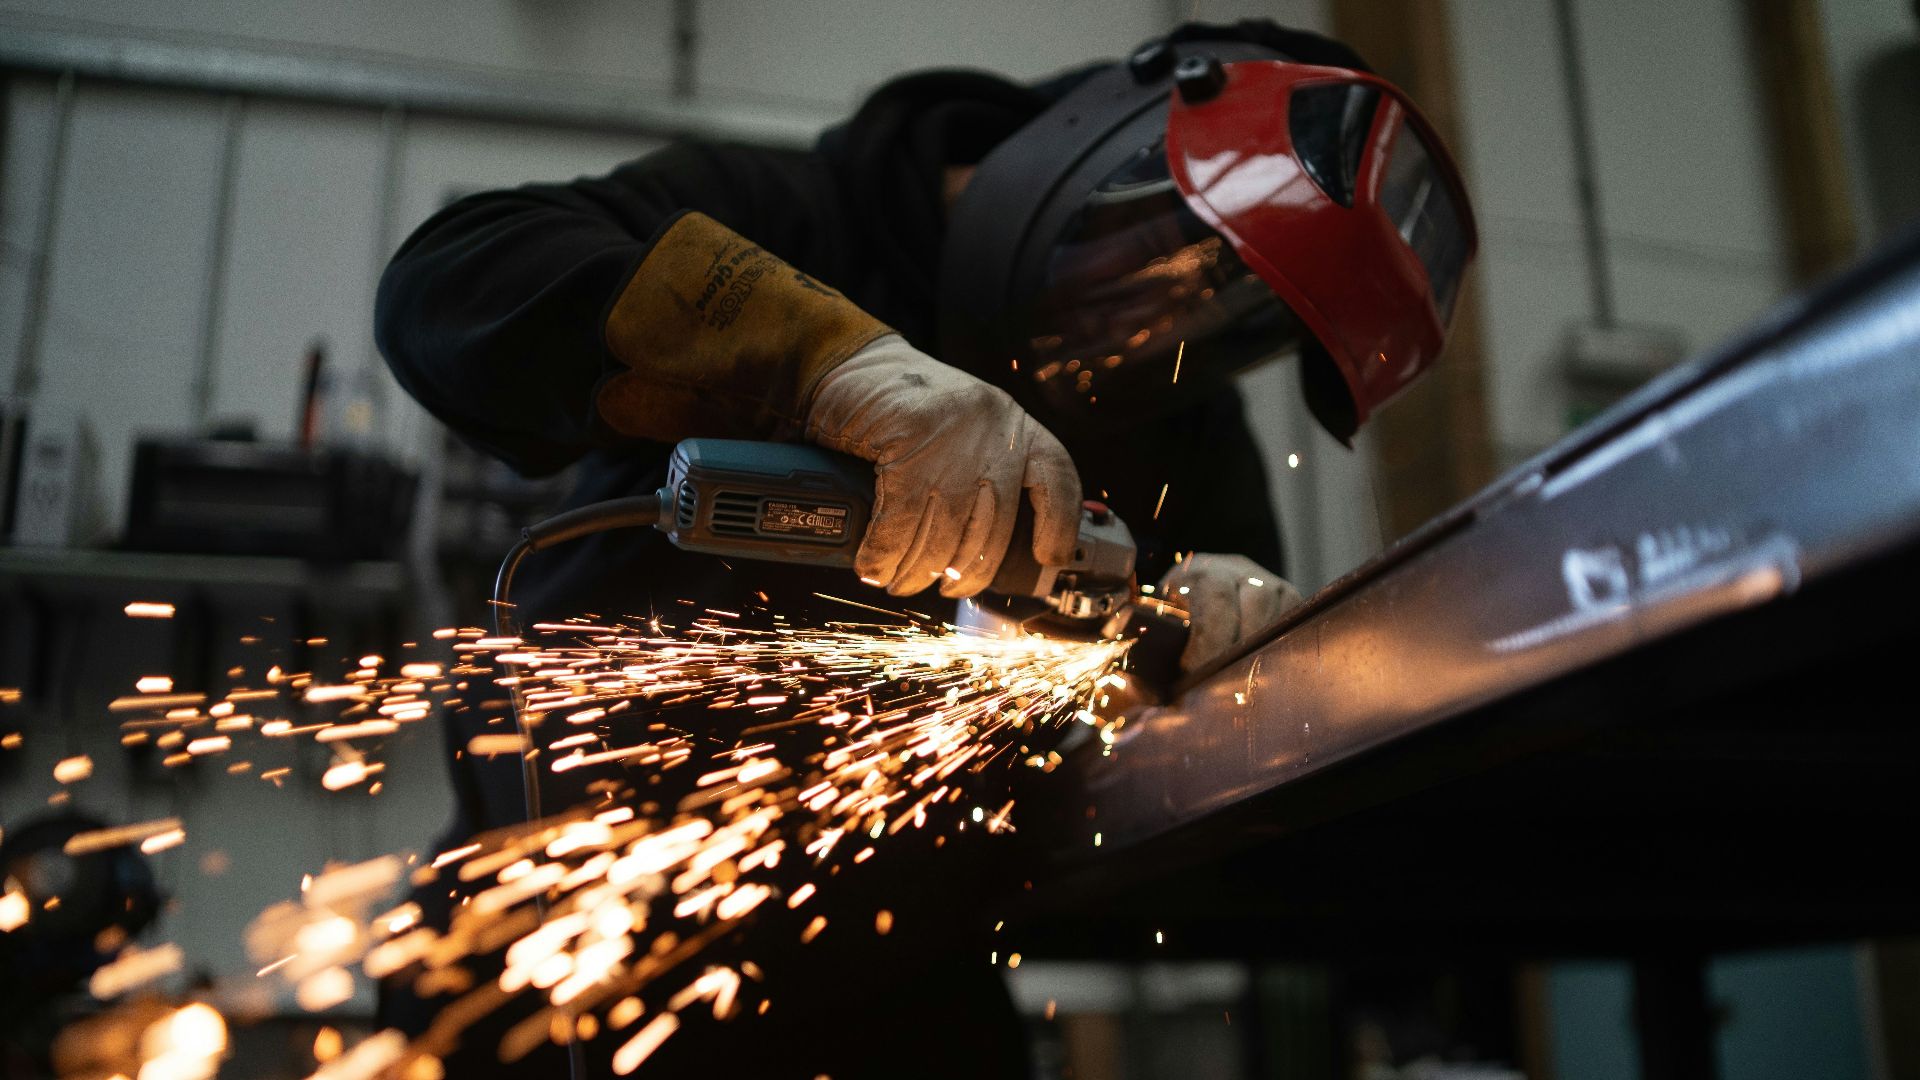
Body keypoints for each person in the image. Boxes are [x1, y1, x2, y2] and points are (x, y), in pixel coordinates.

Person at [375, 20, 1476, 1077]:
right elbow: (453, 276)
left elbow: (1182, 751)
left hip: (892, 989)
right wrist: (826, 362)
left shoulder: (1173, 416)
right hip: (542, 957)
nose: (1165, 320)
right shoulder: (796, 217)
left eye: (1233, 314)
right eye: (1179, 254)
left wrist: (1213, 652)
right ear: (1106, 138)